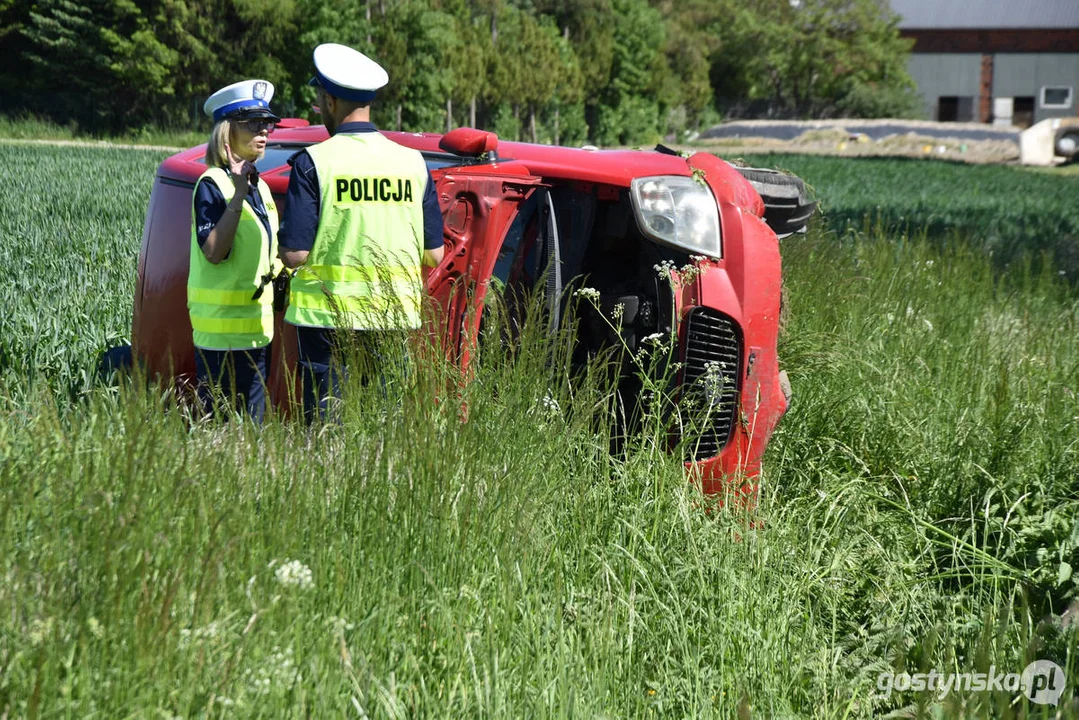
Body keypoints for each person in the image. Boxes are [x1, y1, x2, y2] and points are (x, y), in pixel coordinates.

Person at [278, 43, 445, 423]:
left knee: (326, 432)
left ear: (331, 100)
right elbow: (434, 255)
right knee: (385, 431)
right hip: (391, 317)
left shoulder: (314, 163)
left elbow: (296, 255)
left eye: (320, 101)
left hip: (326, 321)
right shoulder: (413, 163)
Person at [187, 79, 282, 422]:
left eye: (266, 122)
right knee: (220, 435)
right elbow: (214, 251)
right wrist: (239, 194)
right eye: (252, 123)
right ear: (227, 132)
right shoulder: (213, 184)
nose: (264, 131)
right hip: (220, 337)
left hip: (256, 332)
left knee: (251, 437)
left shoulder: (262, 187)